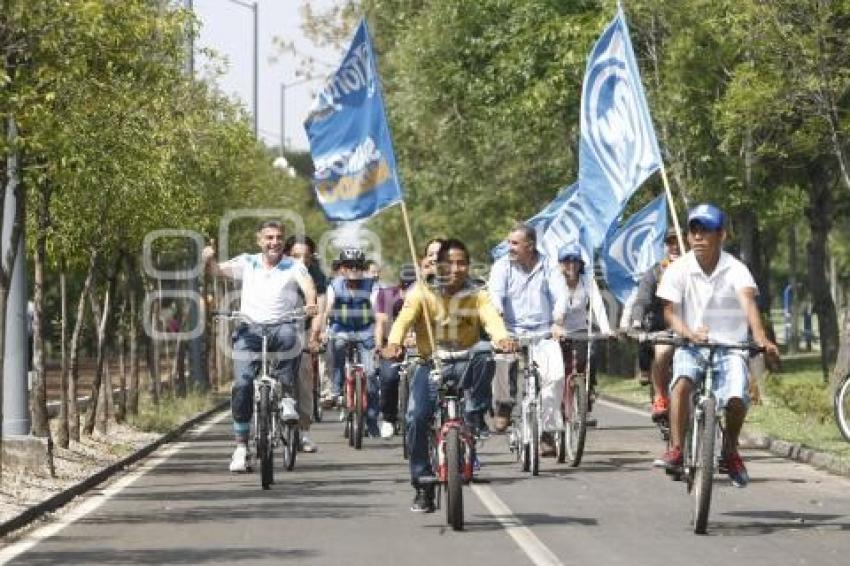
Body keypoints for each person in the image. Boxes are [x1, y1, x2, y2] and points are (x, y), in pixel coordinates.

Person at [382, 239, 515, 513]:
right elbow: (403, 321)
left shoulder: (477, 293)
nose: (456, 269)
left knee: (484, 351)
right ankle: (422, 484)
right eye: (450, 263)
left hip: (466, 360)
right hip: (429, 362)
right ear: (438, 265)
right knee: (415, 418)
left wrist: (502, 338)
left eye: (462, 263)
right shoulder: (421, 292)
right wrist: (394, 343)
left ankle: (475, 414)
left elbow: (492, 319)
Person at [654, 204, 779, 487]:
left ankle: (730, 450)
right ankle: (676, 448)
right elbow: (670, 312)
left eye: (706, 230)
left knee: (737, 399)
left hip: (730, 347)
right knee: (682, 383)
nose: (698, 236)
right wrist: (689, 333)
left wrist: (761, 339)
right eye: (693, 230)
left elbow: (749, 304)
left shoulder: (736, 269)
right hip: (691, 344)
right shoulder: (679, 269)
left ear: (721, 235)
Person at [203, 220, 318, 472]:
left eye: (278, 237)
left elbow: (309, 288)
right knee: (243, 384)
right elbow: (217, 272)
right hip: (250, 329)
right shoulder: (248, 262)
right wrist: (208, 259)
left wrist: (310, 303)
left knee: (291, 339)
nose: (274, 242)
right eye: (269, 238)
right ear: (259, 241)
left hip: (282, 325)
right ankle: (241, 447)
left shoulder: (294, 266)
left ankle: (287, 397)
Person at [488, 223, 567, 455]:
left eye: (514, 243)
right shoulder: (502, 266)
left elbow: (560, 294)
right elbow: (495, 293)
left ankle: (546, 432)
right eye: (508, 242)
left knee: (555, 377)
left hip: (543, 332)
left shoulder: (549, 266)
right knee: (504, 361)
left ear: (529, 246)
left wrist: (558, 321)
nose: (509, 247)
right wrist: (498, 317)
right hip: (510, 330)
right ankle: (504, 404)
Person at [321, 248, 381, 437]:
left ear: (363, 268)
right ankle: (337, 387)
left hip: (365, 331)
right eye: (348, 266)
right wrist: (323, 331)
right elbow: (328, 308)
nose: (353, 269)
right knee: (336, 344)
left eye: (357, 266)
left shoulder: (372, 285)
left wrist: (381, 340)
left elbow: (377, 310)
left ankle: (371, 420)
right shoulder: (334, 285)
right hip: (342, 329)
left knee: (371, 375)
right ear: (342, 269)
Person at [630, 228, 681, 421]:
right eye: (670, 242)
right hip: (663, 329)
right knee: (662, 352)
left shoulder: (695, 269)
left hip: (692, 329)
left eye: (678, 241)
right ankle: (660, 398)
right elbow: (642, 300)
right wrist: (636, 321)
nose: (675, 246)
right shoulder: (655, 271)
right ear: (665, 246)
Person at [284, 235, 326, 453]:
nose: (300, 261)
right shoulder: (274, 271)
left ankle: (304, 431)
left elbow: (319, 307)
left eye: (305, 257)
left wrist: (314, 336)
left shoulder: (316, 275)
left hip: (302, 328)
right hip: (274, 328)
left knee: (303, 374)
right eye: (295, 256)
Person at [555, 243, 601, 427]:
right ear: (560, 264)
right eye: (567, 261)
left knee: (590, 356)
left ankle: (584, 399)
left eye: (575, 261)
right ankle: (555, 405)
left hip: (581, 330)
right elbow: (557, 308)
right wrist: (557, 324)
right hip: (557, 331)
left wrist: (607, 329)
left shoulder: (588, 282)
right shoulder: (555, 282)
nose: (571, 265)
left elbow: (598, 305)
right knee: (558, 371)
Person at [374, 264, 417, 438]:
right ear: (400, 284)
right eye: (406, 285)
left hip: (417, 344)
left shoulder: (425, 296)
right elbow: (381, 323)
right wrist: (381, 346)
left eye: (413, 285)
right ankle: (388, 418)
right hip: (390, 342)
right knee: (389, 377)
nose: (409, 290)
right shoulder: (386, 295)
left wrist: (413, 338)